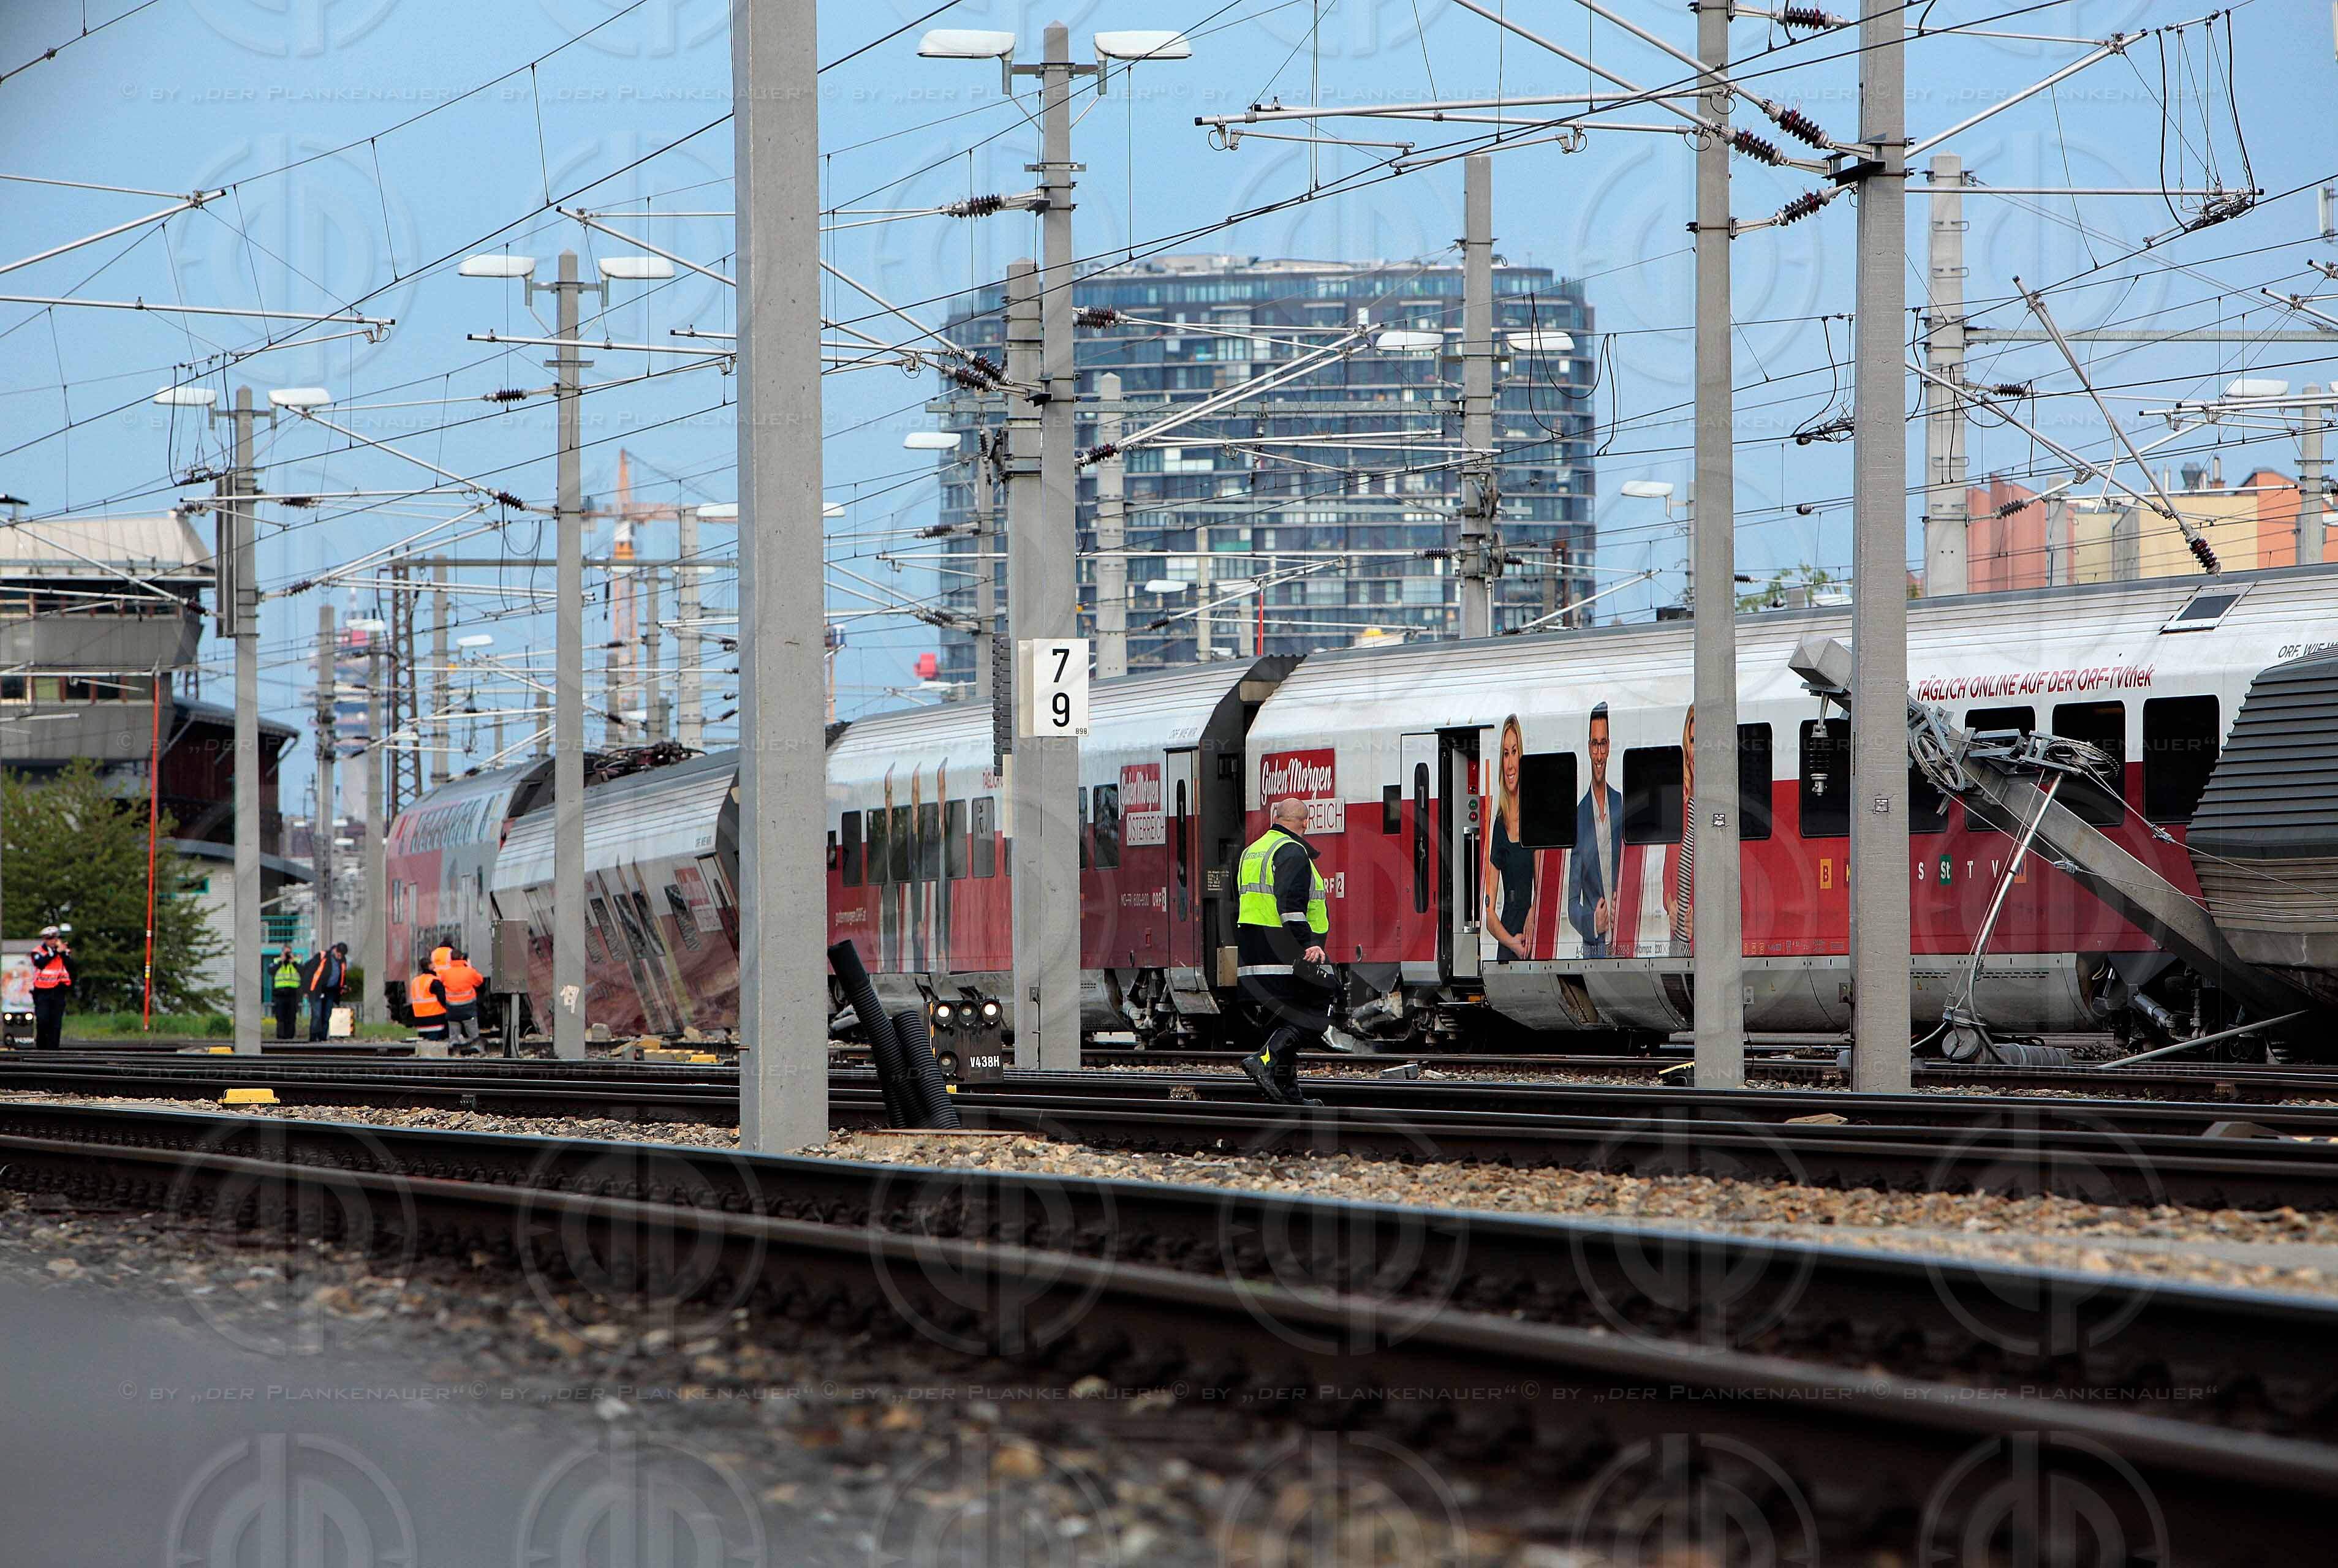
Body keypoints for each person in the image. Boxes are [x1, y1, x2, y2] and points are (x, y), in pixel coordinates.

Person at [1235, 796, 1332, 1108]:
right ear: (1306, 823)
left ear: (1275, 818)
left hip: (1254, 953)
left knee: (1284, 1021)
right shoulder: (1293, 852)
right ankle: (1265, 1059)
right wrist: (1309, 944)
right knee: (1319, 1008)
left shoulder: (1253, 851)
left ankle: (1288, 1095)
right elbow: (1290, 908)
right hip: (1285, 952)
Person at [1567, 703, 1625, 957]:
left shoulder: (1621, 805)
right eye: (1594, 745)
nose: (1599, 754)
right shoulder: (1578, 816)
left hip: (1626, 942)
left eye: (1603, 744)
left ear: (1609, 746)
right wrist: (1592, 922)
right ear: (1589, 748)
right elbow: (1571, 903)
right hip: (1595, 948)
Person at [1483, 715, 1535, 962]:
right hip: (1509, 945)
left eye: (1514, 752)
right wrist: (1512, 943)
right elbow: (1490, 914)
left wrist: (1534, 912)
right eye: (1505, 754)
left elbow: (1544, 885)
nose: (1510, 763)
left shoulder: (1534, 820)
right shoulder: (1499, 825)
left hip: (1534, 937)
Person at [28, 925, 75, 1050]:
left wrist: (63, 953)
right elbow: (41, 963)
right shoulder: (38, 951)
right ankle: (42, 1048)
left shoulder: (63, 952)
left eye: (54, 938)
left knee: (55, 1023)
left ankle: (53, 1050)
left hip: (58, 991)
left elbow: (71, 966)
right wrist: (56, 953)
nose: (52, 941)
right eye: (49, 938)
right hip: (42, 991)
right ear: (44, 939)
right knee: (43, 1021)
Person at [439, 947, 486, 1054]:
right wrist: (469, 967)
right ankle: (474, 1050)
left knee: (454, 1036)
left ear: (451, 959)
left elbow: (442, 981)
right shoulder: (469, 972)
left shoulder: (446, 974)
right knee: (473, 1035)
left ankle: (455, 1053)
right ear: (462, 958)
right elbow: (479, 981)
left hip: (452, 1010)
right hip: (468, 1009)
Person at [305, 942, 347, 1041]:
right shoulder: (322, 956)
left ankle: (322, 1038)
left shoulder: (342, 961)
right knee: (317, 1014)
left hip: (331, 992)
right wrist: (306, 990)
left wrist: (343, 987)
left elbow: (342, 975)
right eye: (339, 954)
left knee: (327, 1015)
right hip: (317, 990)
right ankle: (313, 1038)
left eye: (342, 956)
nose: (340, 957)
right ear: (335, 950)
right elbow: (309, 972)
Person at [407, 962, 448, 1044]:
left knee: (425, 1045)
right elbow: (443, 999)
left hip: (420, 1020)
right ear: (430, 966)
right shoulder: (434, 981)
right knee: (434, 1045)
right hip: (435, 1020)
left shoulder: (416, 981)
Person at [271, 949, 305, 1041]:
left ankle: (290, 1037)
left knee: (291, 1017)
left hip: (293, 994)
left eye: (289, 954)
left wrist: (293, 962)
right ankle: (281, 1037)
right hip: (279, 994)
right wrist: (281, 961)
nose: (287, 956)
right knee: (280, 1017)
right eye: (285, 954)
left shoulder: (296, 962)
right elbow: (271, 971)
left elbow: (303, 971)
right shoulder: (276, 962)